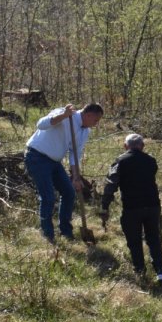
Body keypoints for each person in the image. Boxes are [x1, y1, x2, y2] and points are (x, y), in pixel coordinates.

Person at [24, 102, 104, 243]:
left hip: (54, 161)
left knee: (69, 192)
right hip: (37, 156)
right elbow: (41, 124)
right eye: (95, 120)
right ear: (88, 115)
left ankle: (66, 232)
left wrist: (76, 177)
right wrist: (63, 116)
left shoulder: (85, 131)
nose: (96, 124)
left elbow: (75, 154)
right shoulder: (65, 114)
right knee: (48, 197)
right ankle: (48, 235)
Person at [99, 133, 162, 283]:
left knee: (134, 240)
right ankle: (160, 271)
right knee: (153, 238)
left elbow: (111, 185)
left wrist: (105, 206)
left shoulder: (120, 162)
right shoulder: (151, 161)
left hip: (132, 208)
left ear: (125, 146)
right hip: (153, 206)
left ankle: (140, 270)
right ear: (142, 146)